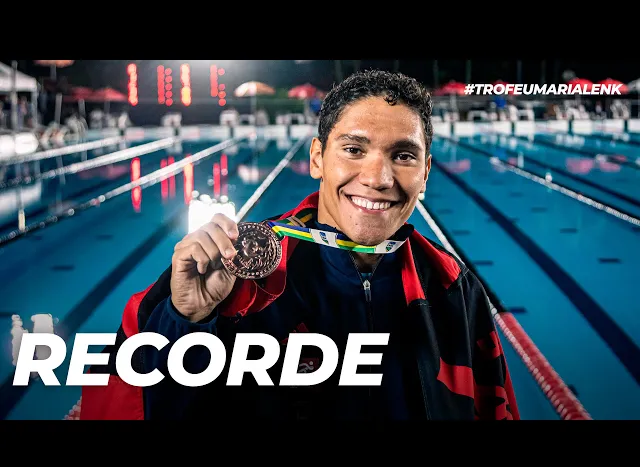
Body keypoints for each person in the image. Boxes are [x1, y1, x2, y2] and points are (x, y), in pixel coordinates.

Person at [80, 70, 519, 421]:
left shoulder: (453, 288)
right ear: (317, 158)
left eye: (403, 156)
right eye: (354, 149)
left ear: (425, 172)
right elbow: (135, 403)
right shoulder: (234, 274)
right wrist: (187, 322)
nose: (378, 178)